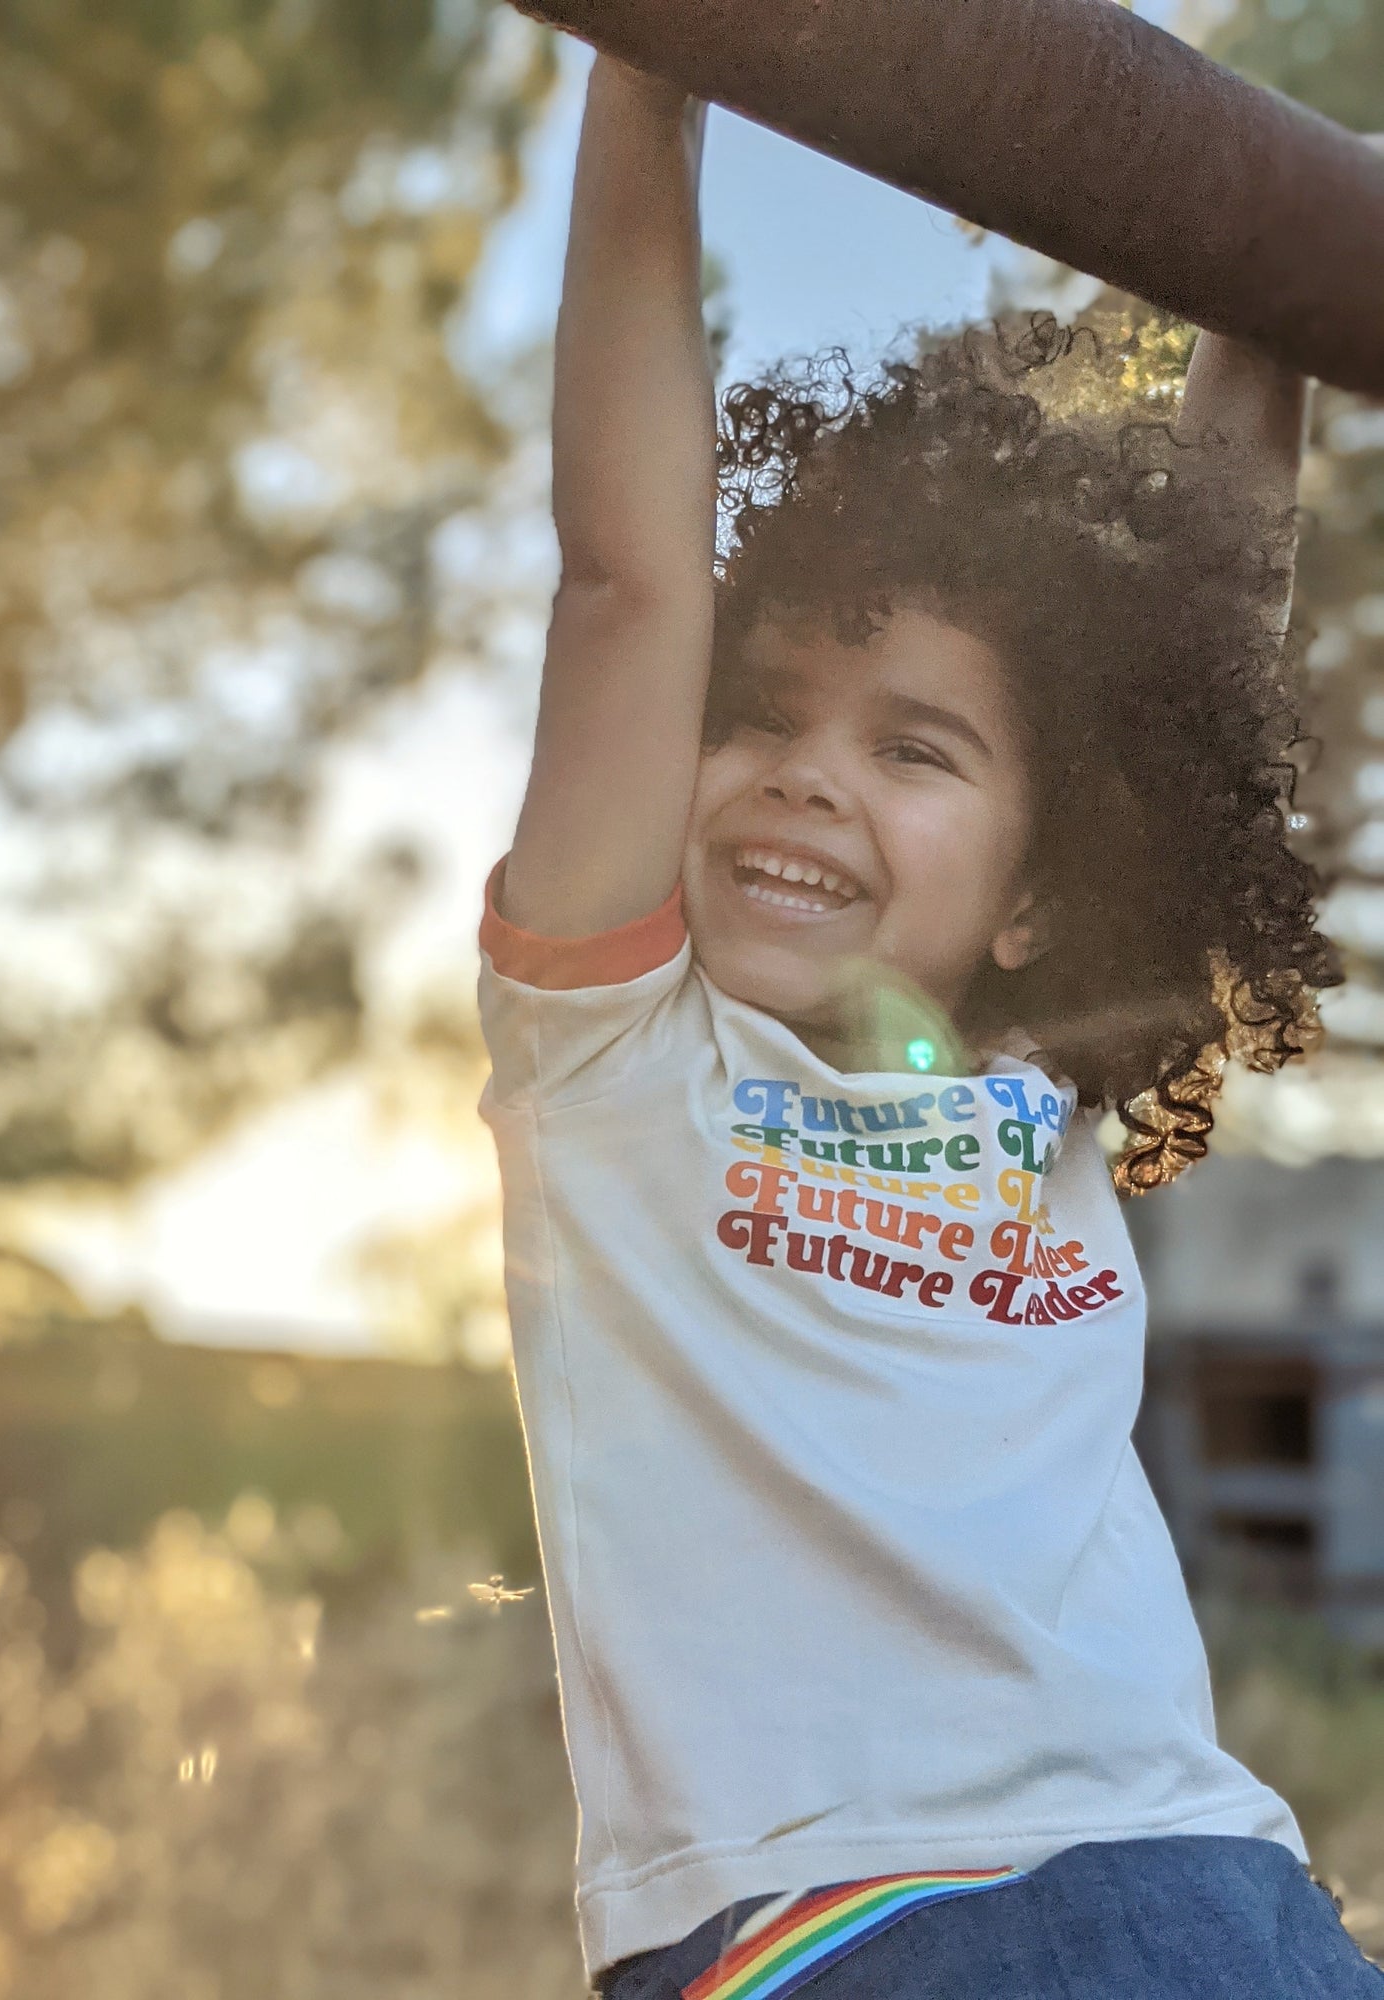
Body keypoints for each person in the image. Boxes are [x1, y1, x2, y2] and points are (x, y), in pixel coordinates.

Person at [473, 52, 1378, 1999]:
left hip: (1206, 1879)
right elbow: (629, 584)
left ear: (1049, 888)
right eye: (761, 711)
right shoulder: (620, 1055)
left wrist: (1279, 296)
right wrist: (655, 79)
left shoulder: (1045, 1097)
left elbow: (1203, 651)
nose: (805, 776)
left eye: (914, 748)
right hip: (835, 1917)